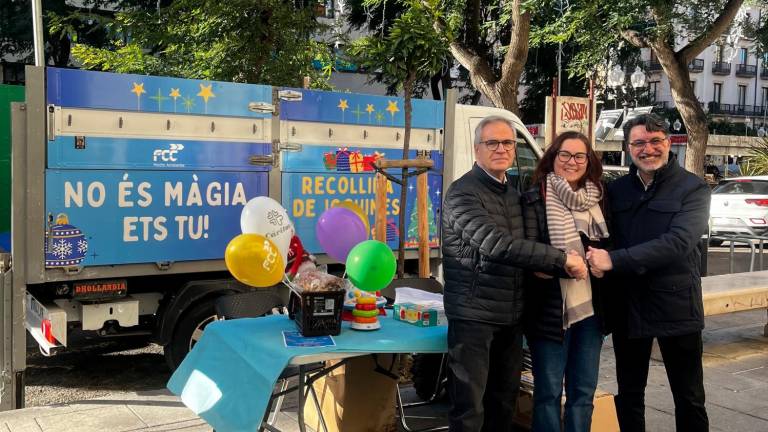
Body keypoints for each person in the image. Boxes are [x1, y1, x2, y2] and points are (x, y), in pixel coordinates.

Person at [442, 115, 588, 432]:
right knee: (469, 408)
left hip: (511, 317)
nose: (501, 148)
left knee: (503, 402)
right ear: (476, 148)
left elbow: (528, 243)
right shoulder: (462, 194)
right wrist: (561, 260)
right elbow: (498, 245)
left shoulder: (512, 193)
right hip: (474, 318)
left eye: (508, 142)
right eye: (492, 142)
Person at [587, 113, 710, 432]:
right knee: (629, 396)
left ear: (669, 143)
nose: (648, 149)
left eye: (656, 141)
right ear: (628, 148)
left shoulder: (693, 188)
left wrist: (613, 261)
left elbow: (678, 243)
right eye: (639, 143)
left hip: (676, 307)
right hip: (629, 309)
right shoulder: (616, 190)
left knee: (689, 398)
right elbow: (600, 234)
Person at [521, 131, 611, 432]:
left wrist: (602, 262)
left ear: (589, 161)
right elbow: (529, 250)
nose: (572, 162)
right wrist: (564, 265)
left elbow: (612, 246)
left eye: (579, 156)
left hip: (590, 310)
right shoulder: (535, 197)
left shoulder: (600, 197)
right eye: (565, 155)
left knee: (583, 393)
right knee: (547, 393)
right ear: (553, 157)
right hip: (549, 309)